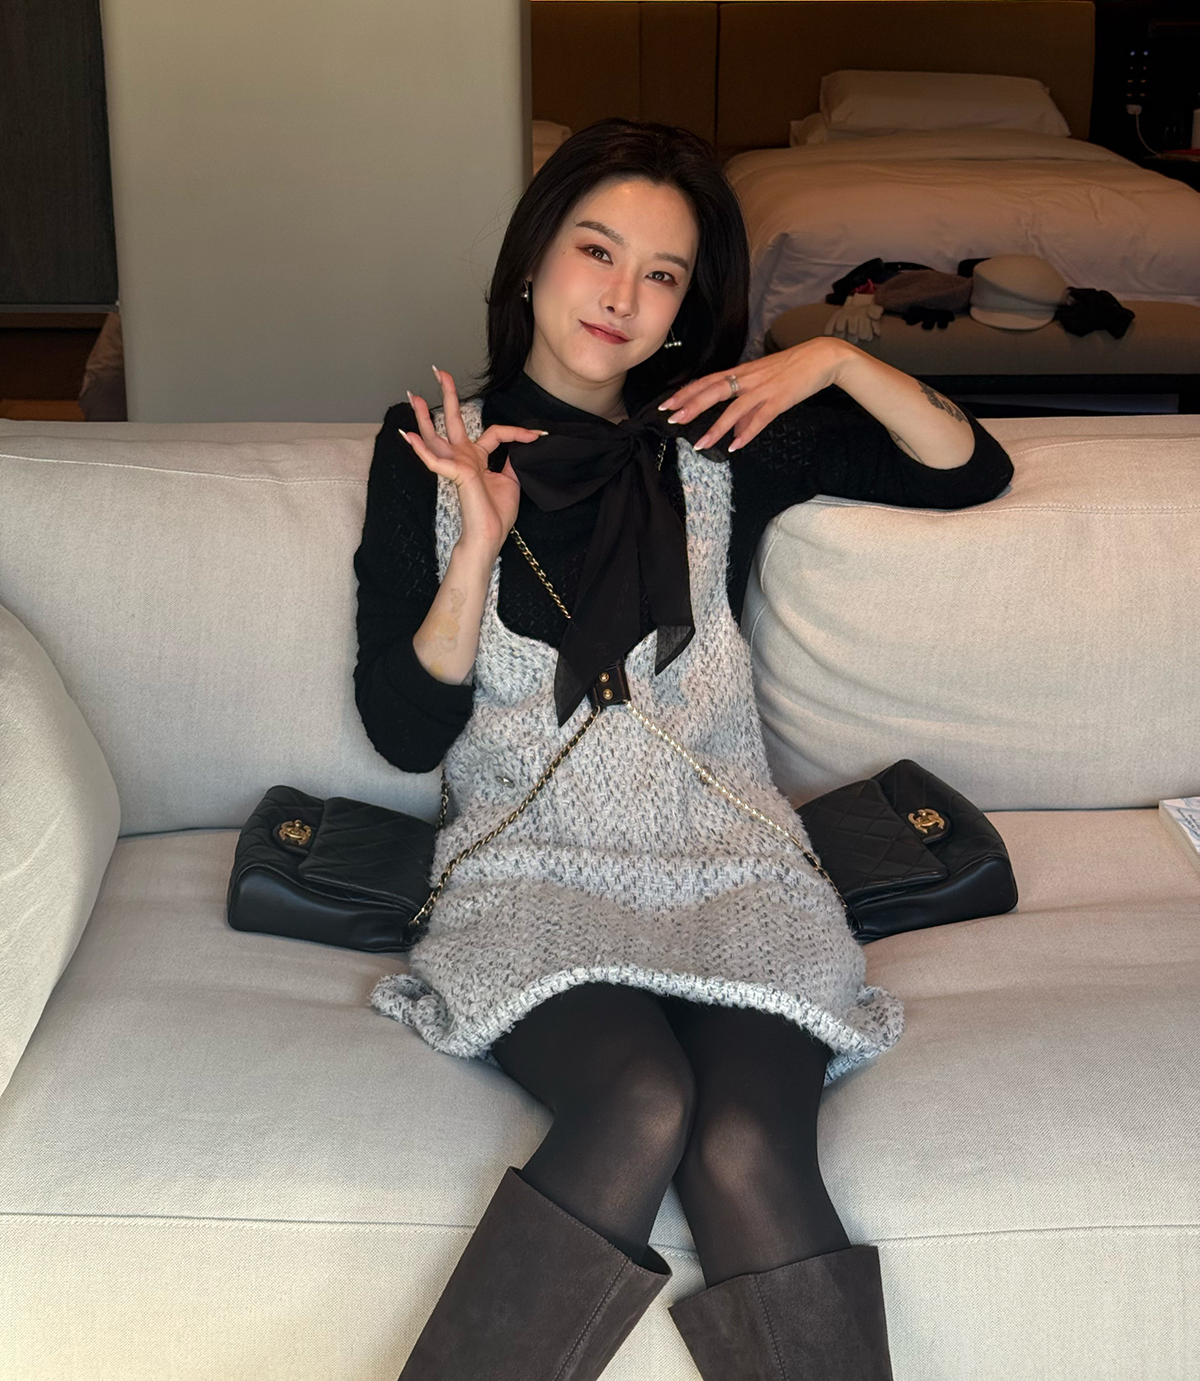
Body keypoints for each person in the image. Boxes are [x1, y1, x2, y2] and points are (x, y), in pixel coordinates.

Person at [353, 118, 1014, 1381]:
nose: (621, 295)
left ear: (683, 307)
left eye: (661, 274)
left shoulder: (720, 436)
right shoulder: (430, 447)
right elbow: (402, 727)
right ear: (533, 257)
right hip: (528, 873)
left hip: (735, 869)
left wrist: (832, 356)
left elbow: (965, 469)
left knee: (746, 1142)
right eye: (597, 250)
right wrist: (476, 546)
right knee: (642, 1097)